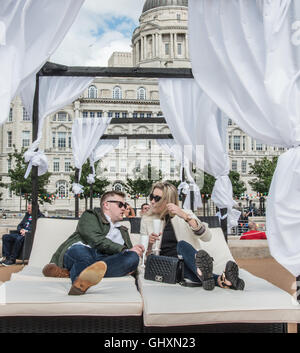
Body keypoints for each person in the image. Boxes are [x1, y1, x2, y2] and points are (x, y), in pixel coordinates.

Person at [140, 182, 245, 291]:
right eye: (151, 196)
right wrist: (149, 244)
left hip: (187, 261)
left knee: (182, 245)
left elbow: (207, 237)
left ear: (167, 200)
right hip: (165, 265)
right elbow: (142, 255)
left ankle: (216, 278)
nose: (152, 201)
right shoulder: (147, 220)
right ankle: (220, 279)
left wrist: (186, 217)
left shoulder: (185, 214)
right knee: (180, 267)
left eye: (157, 198)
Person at [42, 191, 145, 295]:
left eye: (125, 205)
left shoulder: (123, 230)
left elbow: (127, 256)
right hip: (85, 251)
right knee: (80, 251)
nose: (124, 208)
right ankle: (80, 283)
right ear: (106, 205)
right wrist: (123, 250)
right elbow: (95, 240)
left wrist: (132, 257)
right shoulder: (91, 215)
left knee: (132, 257)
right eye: (121, 204)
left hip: (106, 261)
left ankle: (80, 274)